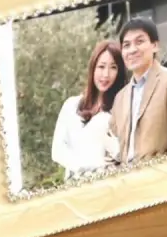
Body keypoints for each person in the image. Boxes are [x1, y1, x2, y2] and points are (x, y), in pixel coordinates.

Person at [109, 17, 167, 164]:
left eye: (139, 42)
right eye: (126, 45)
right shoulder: (120, 98)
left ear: (155, 46)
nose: (132, 50)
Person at [50, 41, 126, 180]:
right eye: (101, 66)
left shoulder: (120, 110)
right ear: (93, 68)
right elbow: (57, 151)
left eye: (113, 67)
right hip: (74, 185)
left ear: (119, 72)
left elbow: (122, 154)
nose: (106, 74)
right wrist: (83, 166)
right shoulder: (71, 105)